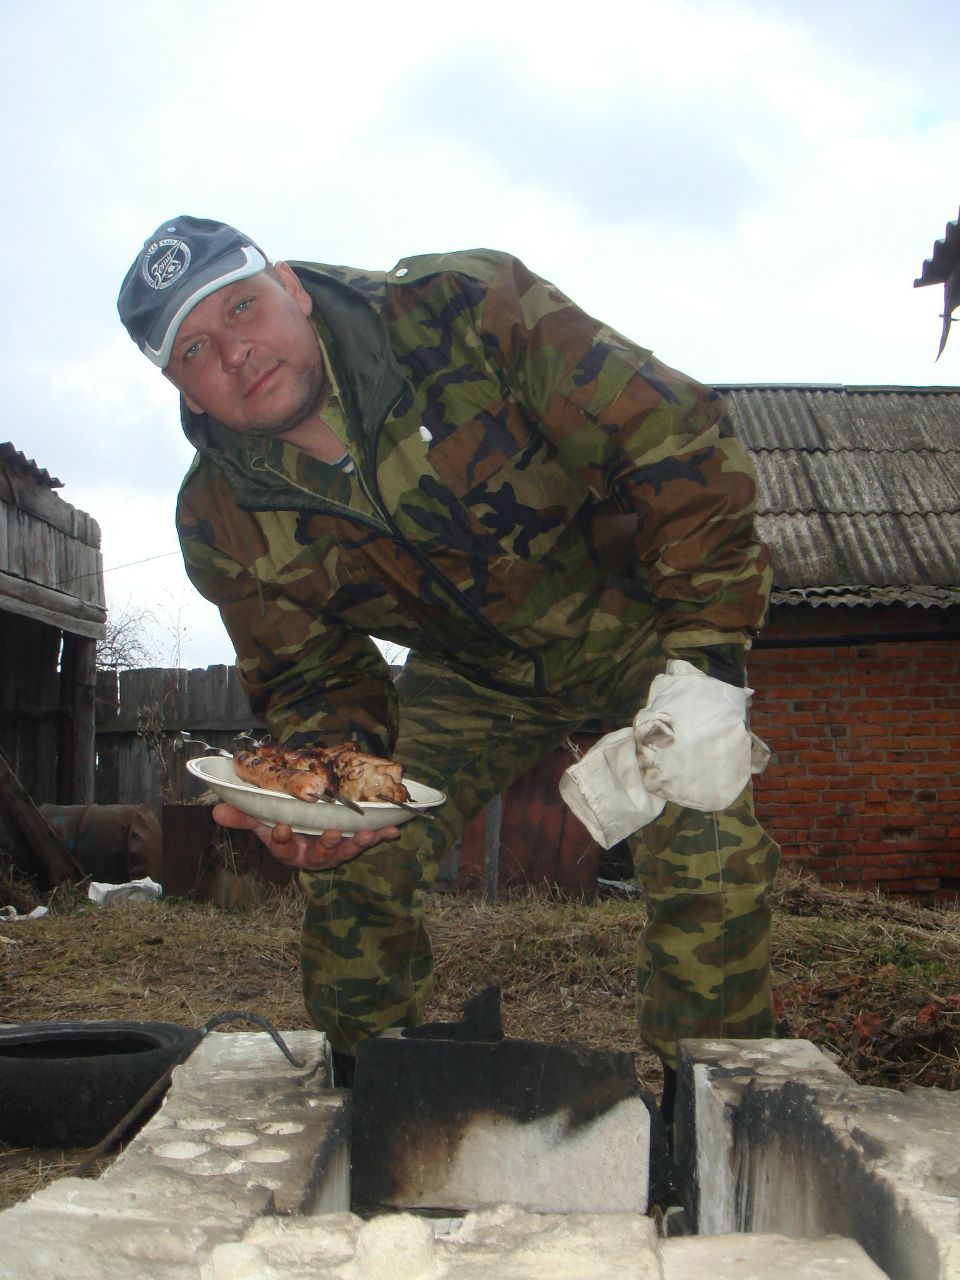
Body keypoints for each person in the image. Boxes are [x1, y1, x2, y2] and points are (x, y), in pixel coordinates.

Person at [118, 216, 781, 1100]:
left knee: (706, 821)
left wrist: (706, 661)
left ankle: (720, 1111)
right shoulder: (221, 518)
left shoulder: (466, 311)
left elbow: (680, 444)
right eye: (196, 348)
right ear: (183, 389)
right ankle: (376, 1101)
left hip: (637, 623)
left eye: (244, 307)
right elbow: (315, 678)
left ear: (293, 287)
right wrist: (315, 787)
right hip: (471, 676)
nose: (236, 352)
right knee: (353, 850)